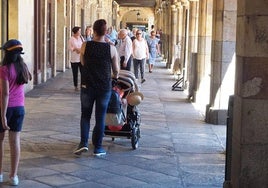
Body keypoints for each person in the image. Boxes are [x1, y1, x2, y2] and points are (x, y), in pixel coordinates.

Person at [73, 19, 119, 156]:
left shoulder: (85, 45)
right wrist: (114, 76)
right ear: (106, 32)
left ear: (93, 30)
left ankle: (83, 143)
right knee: (100, 117)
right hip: (104, 87)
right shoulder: (111, 48)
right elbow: (116, 69)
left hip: (87, 85)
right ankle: (98, 147)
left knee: (85, 115)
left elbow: (82, 62)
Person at [0, 39, 32, 186]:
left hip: (6, 108)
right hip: (20, 108)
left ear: (7, 53)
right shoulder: (23, 66)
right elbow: (28, 79)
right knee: (15, 142)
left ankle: (0, 173)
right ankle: (13, 176)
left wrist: (2, 115)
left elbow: (5, 94)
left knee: (0, 141)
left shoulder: (4, 69)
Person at [68, 26, 84, 91]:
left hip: (81, 58)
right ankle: (75, 86)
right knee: (75, 73)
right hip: (74, 59)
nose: (80, 32)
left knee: (83, 72)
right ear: (76, 32)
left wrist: (80, 49)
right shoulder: (71, 39)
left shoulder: (81, 38)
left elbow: (84, 45)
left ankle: (82, 85)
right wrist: (75, 49)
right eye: (79, 31)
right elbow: (69, 48)